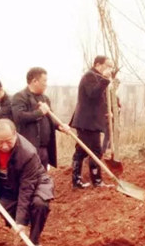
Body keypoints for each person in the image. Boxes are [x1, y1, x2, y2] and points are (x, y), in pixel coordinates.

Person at [0, 119, 54, 246]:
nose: (5, 146)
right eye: (0, 142)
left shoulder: (27, 153)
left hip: (36, 182)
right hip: (10, 184)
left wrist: (21, 222)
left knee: (39, 204)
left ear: (15, 134)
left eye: (8, 141)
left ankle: (34, 242)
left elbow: (26, 190)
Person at [69, 56, 113, 188]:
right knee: (93, 151)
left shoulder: (97, 77)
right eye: (108, 66)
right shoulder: (90, 76)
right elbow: (93, 94)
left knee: (83, 151)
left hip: (90, 122)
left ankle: (83, 180)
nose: (110, 69)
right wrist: (105, 79)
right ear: (98, 65)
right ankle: (95, 181)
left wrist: (107, 111)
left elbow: (100, 99)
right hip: (86, 122)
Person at [11, 67, 65, 169]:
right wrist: (40, 112)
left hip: (44, 149)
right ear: (34, 81)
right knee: (30, 177)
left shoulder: (45, 99)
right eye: (44, 81)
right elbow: (19, 117)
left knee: (43, 178)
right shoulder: (20, 97)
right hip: (28, 148)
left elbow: (50, 119)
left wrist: (59, 126)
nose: (46, 84)